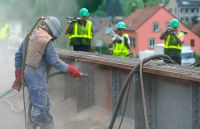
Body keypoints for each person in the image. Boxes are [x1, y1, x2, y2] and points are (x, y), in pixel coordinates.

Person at [12, 16, 82, 129]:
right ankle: (31, 126)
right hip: (37, 77)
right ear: (52, 30)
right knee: (40, 107)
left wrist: (18, 73)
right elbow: (54, 61)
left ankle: (48, 125)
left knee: (44, 104)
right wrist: (71, 69)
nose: (53, 38)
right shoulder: (46, 41)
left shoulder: (31, 35)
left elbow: (19, 55)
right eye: (54, 37)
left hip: (28, 74)